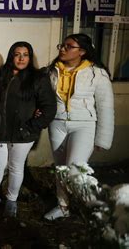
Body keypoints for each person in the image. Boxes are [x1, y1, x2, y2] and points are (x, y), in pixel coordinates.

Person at [44, 33, 114, 220]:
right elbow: (45, 99)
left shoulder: (97, 73)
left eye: (69, 46)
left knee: (75, 170)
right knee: (61, 169)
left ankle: (96, 205)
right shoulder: (52, 71)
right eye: (62, 45)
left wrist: (103, 139)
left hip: (84, 125)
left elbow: (105, 107)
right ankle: (63, 206)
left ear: (82, 51)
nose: (62, 49)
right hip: (57, 124)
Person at [0, 42, 56, 218]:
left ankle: (11, 200)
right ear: (11, 56)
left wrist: (31, 127)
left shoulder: (38, 78)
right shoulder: (1, 75)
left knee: (15, 167)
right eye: (17, 54)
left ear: (30, 58)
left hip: (23, 134)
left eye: (25, 54)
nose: (21, 58)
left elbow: (49, 108)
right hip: (1, 131)